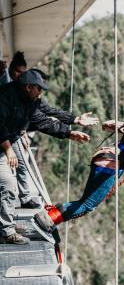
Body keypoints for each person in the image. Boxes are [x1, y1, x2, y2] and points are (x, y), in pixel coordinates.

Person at [33, 106, 124, 242]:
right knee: (88, 205)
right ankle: (48, 220)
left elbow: (108, 124)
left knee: (84, 201)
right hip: (112, 166)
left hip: (104, 159)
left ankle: (50, 216)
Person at [0, 69, 92, 245]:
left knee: (8, 183)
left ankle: (6, 223)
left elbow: (44, 121)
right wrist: (8, 149)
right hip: (3, 144)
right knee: (9, 185)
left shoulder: (29, 102)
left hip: (7, 144)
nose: (41, 93)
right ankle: (6, 232)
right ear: (28, 87)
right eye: (39, 89)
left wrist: (70, 133)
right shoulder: (5, 96)